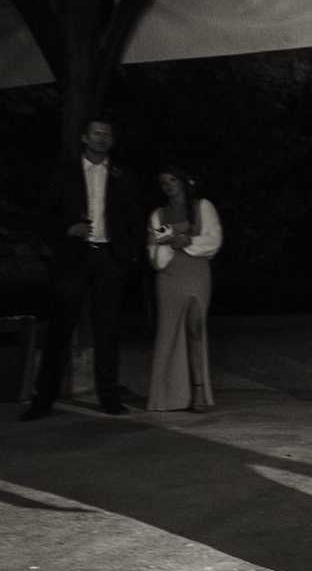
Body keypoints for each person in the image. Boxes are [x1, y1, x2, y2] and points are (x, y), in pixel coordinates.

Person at [22, 118, 144, 420]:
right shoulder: (64, 174)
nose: (102, 139)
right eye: (97, 134)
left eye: (107, 134)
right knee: (61, 327)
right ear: (85, 138)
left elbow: (134, 217)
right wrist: (67, 230)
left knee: (108, 329)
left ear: (112, 141)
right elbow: (42, 215)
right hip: (73, 258)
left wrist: (126, 255)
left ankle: (109, 396)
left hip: (108, 257)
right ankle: (43, 399)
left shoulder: (122, 175)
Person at [146, 166, 223, 412]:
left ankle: (199, 391)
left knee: (195, 327)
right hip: (169, 276)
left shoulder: (203, 206)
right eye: (163, 183)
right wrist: (171, 241)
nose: (168, 186)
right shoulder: (158, 214)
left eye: (172, 181)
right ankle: (165, 396)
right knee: (168, 333)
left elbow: (214, 239)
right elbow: (154, 247)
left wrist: (189, 241)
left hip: (197, 273)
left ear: (183, 182)